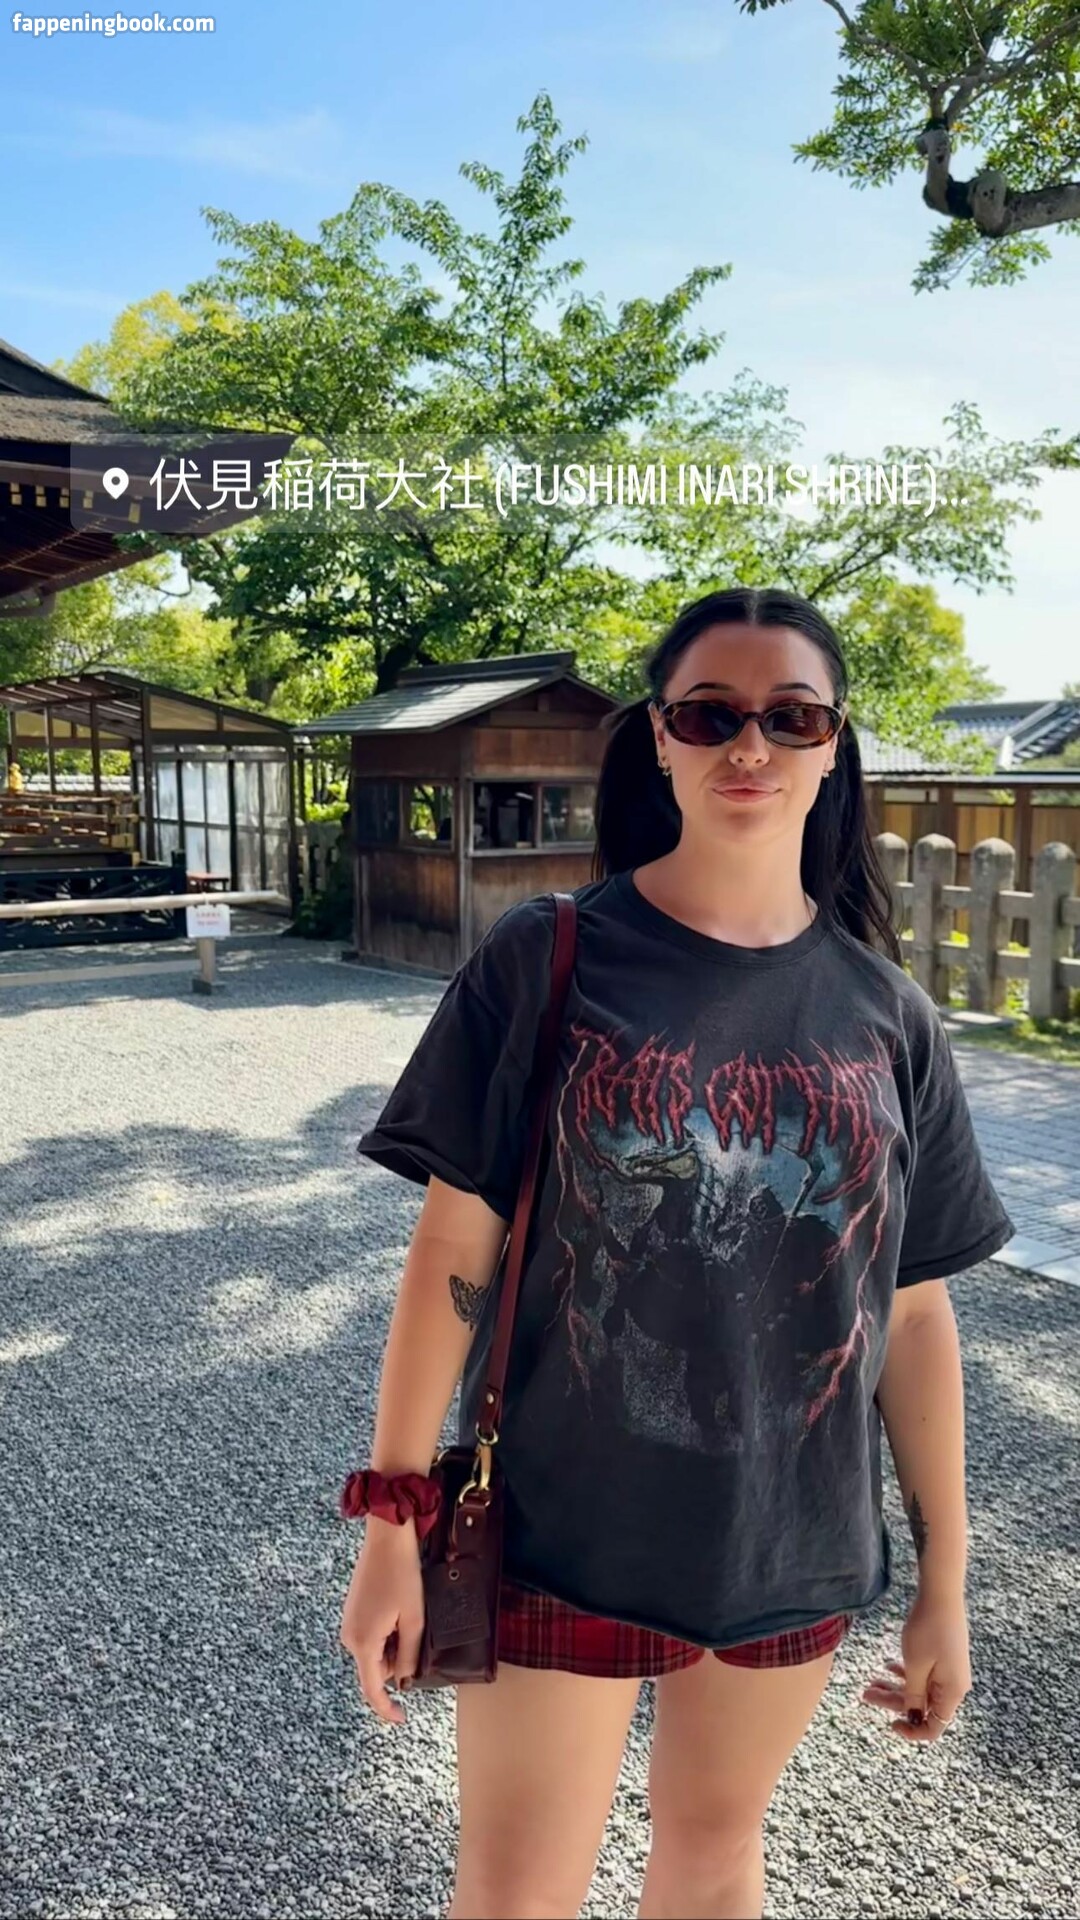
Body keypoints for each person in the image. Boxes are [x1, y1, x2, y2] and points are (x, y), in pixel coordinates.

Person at [338, 585, 1014, 1920]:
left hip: (789, 1540)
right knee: (518, 1894)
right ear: (659, 736)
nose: (750, 744)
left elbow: (912, 1314)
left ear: (833, 744)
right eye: (711, 714)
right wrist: (393, 1527)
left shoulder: (889, 1014)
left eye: (791, 715)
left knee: (712, 1866)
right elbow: (453, 1253)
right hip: (564, 1528)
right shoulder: (549, 957)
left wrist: (946, 1581)